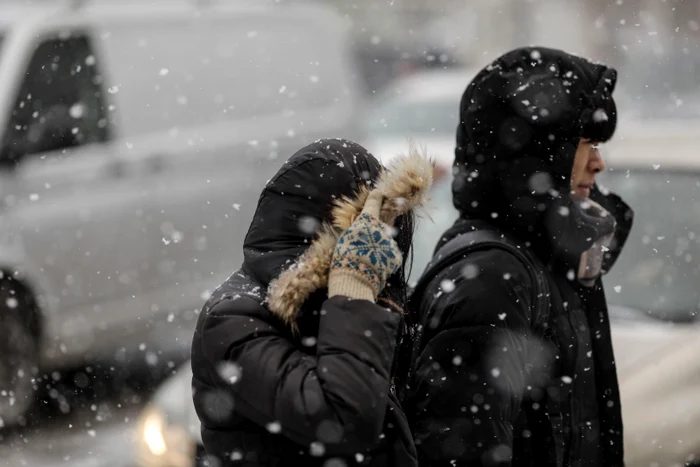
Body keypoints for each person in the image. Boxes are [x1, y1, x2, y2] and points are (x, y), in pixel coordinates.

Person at [401, 47, 634, 466]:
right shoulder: (492, 278)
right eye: (585, 144)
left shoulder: (557, 256)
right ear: (538, 154)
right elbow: (461, 449)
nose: (598, 163)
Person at [191, 139, 426, 466]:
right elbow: (345, 420)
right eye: (372, 232)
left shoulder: (355, 304)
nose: (383, 252)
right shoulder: (233, 319)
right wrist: (353, 286)